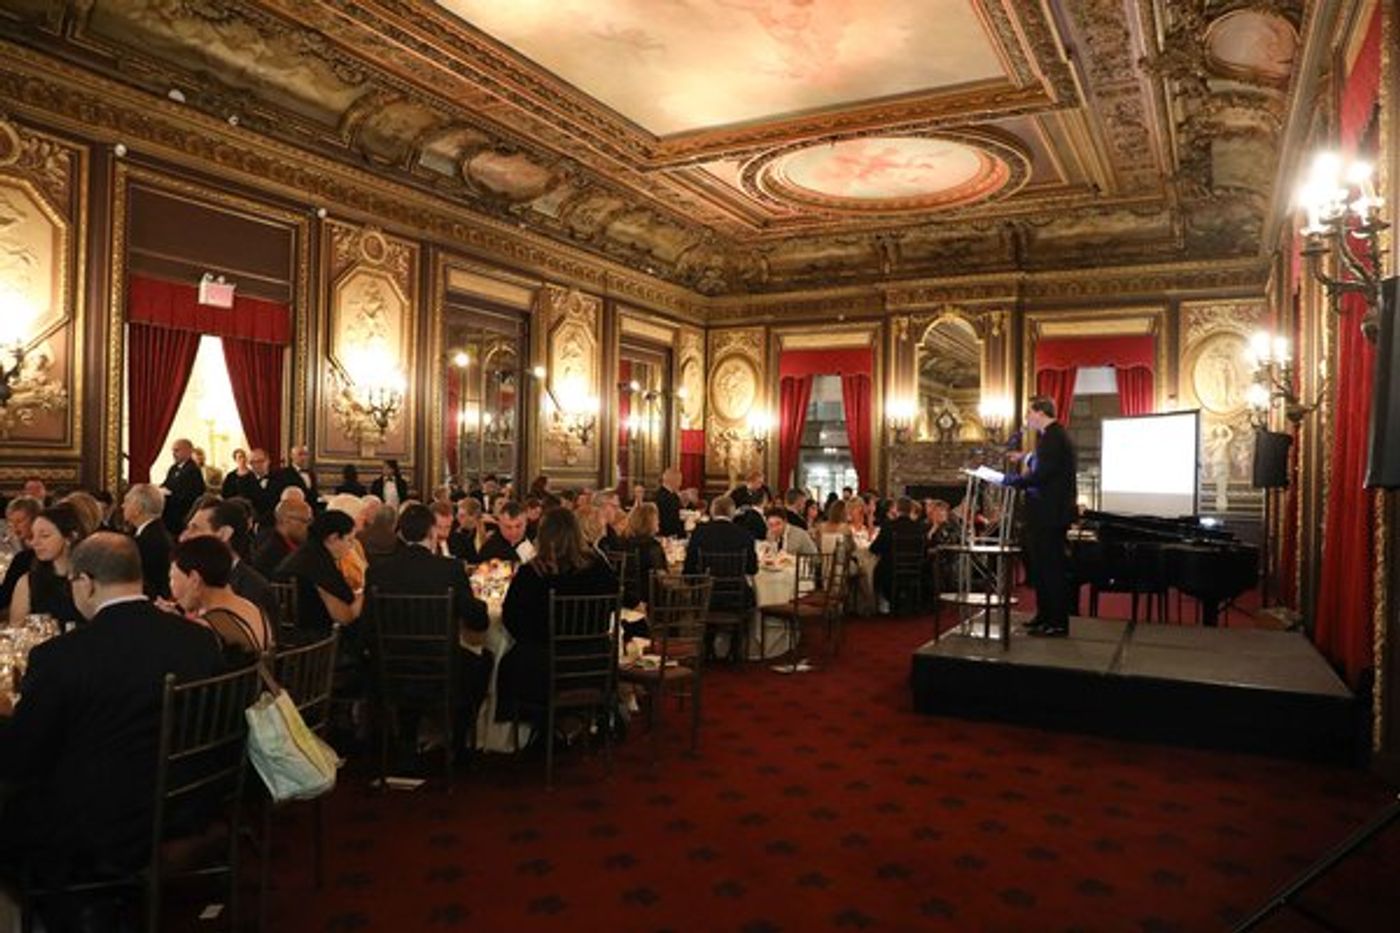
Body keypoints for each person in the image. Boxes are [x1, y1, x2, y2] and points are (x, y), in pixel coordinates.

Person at [0, 532, 226, 904]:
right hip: (187, 800)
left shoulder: (61, 657)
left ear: (86, 583)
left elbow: (23, 760)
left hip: (99, 821)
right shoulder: (197, 640)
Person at [364, 504, 492, 761]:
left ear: (400, 533)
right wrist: (480, 605)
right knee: (484, 661)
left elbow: (368, 626)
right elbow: (477, 621)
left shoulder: (377, 570)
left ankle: (407, 738)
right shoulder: (450, 569)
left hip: (390, 670)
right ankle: (457, 742)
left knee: (410, 662)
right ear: (432, 532)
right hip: (441, 670)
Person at [496, 508, 617, 722]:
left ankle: (526, 729)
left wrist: (535, 638)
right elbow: (613, 604)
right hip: (594, 663)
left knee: (507, 660)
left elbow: (511, 619)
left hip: (543, 669)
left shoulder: (531, 573)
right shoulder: (599, 569)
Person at [1005, 396, 1078, 637]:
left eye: (1029, 413)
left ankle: (1056, 622)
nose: (1027, 418)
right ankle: (1044, 616)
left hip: (1049, 514)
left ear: (1040, 412)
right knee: (1042, 569)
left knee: (1051, 569)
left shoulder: (1053, 437)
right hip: (1047, 514)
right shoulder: (1053, 436)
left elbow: (1041, 475)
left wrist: (1010, 481)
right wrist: (1025, 458)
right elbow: (1045, 464)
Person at [169, 536, 272, 663]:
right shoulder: (252, 607)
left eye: (172, 578)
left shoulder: (205, 628)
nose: (171, 588)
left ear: (195, 579)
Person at [183, 498, 279, 630]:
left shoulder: (255, 590)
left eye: (195, 529)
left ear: (224, 534)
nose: (185, 537)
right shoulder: (190, 578)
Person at [274, 509, 363, 640]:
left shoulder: (303, 554)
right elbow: (345, 617)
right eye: (349, 540)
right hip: (319, 644)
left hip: (288, 637)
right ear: (333, 538)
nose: (351, 547)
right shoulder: (318, 565)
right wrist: (363, 595)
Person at [8, 503, 84, 629]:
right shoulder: (28, 582)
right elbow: (17, 633)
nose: (34, 543)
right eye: (33, 536)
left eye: (44, 536)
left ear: (70, 537)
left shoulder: (88, 579)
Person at [870, 497, 923, 610]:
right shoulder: (919, 528)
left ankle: (881, 604)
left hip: (890, 569)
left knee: (874, 570)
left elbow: (874, 548)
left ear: (897, 510)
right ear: (910, 510)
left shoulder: (889, 526)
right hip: (915, 569)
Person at [684, 496, 759, 577]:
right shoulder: (745, 534)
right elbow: (752, 569)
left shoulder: (699, 532)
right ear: (733, 513)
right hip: (736, 587)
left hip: (705, 586)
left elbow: (689, 568)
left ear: (712, 511)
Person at [123, 482, 174, 600]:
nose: (122, 505)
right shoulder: (150, 532)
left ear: (138, 508)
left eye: (127, 501)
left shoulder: (151, 540)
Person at [616, 502, 668, 612]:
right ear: (649, 522)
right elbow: (661, 577)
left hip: (623, 596)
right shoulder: (653, 546)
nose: (659, 521)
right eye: (656, 519)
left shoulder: (621, 542)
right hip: (649, 599)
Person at [251, 498, 311, 578]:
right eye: (304, 521)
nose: (308, 527)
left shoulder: (297, 545)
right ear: (285, 520)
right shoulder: (271, 554)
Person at [0, 496, 40, 613]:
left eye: (19, 521)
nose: (14, 526)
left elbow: (5, 596)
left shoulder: (26, 557)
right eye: (11, 522)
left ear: (35, 519)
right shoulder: (20, 548)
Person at [160, 437, 206, 535]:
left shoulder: (193, 470)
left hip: (182, 513)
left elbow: (192, 494)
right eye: (173, 451)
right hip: (169, 509)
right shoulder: (173, 468)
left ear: (188, 451)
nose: (173, 454)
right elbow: (166, 484)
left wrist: (171, 494)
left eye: (177, 450)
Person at [448, 497, 485, 563]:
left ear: (474, 516)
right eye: (457, 514)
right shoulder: (454, 531)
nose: (457, 518)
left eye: (462, 516)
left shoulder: (486, 529)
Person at [654, 467, 685, 538]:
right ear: (673, 480)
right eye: (680, 480)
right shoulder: (666, 497)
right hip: (667, 536)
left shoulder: (669, 495)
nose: (680, 484)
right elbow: (671, 520)